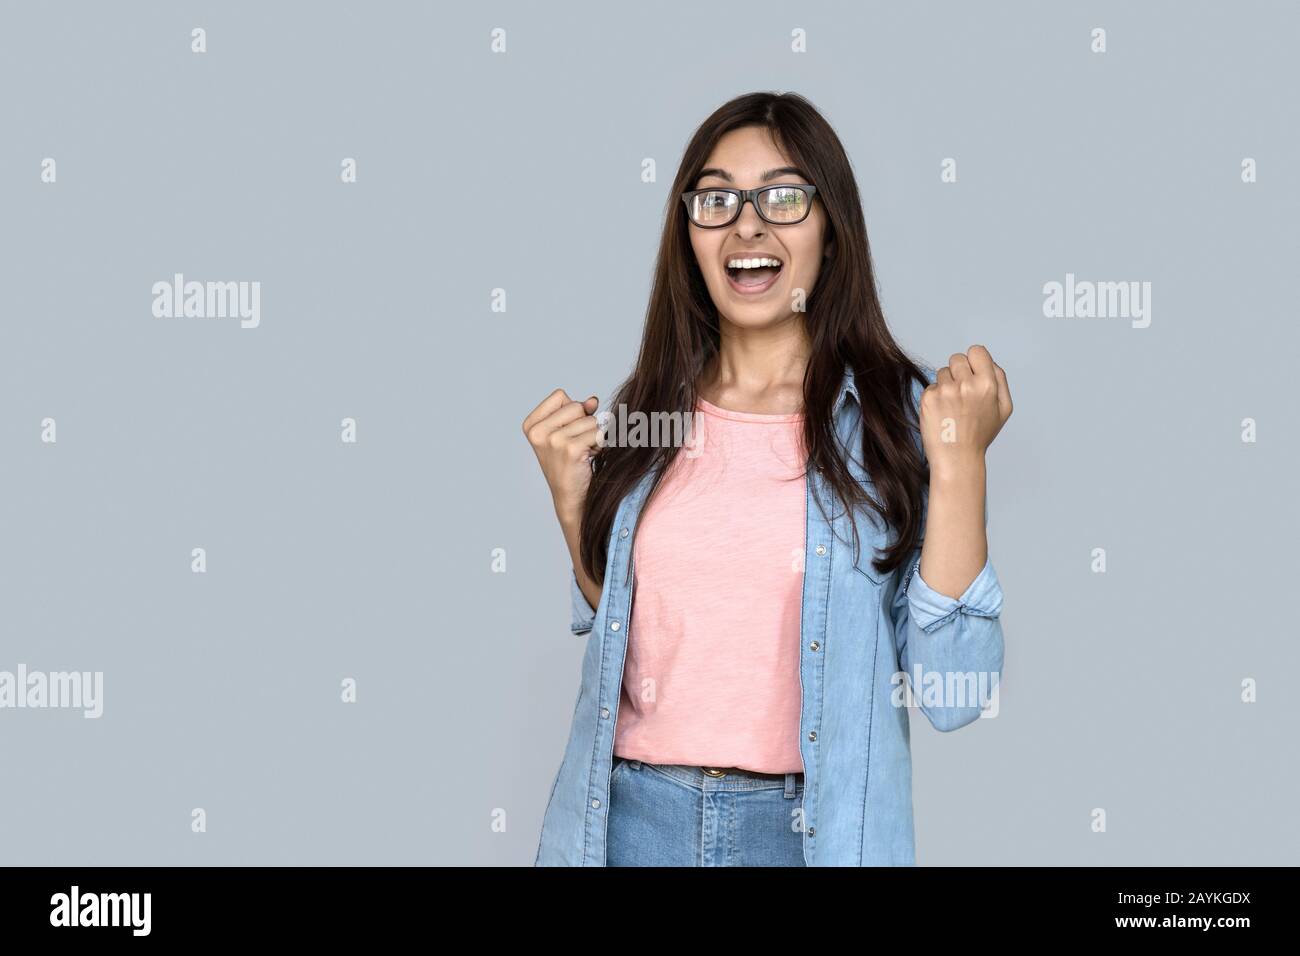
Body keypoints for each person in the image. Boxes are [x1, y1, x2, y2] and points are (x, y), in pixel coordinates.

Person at [524, 91, 1013, 866]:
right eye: (716, 199)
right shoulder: (646, 413)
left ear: (831, 227)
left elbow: (956, 695)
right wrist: (571, 504)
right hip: (630, 825)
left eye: (782, 197)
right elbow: (633, 629)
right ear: (688, 233)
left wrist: (960, 464)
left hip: (806, 835)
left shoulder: (901, 416)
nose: (746, 224)